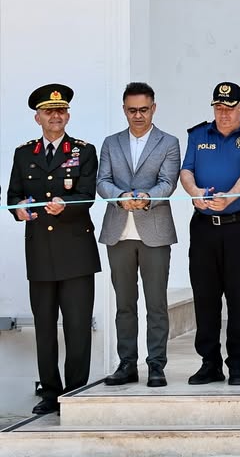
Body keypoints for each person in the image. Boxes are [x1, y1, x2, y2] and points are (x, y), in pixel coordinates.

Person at [7, 84, 100, 415]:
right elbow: (14, 196)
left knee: (77, 328)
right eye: (49, 111)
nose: (55, 116)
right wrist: (18, 209)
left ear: (68, 115)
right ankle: (50, 394)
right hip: (40, 252)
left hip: (75, 252)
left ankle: (74, 395)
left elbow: (88, 194)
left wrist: (68, 204)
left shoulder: (83, 151)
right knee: (44, 328)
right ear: (38, 117)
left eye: (60, 111)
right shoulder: (23, 153)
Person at [179, 81, 240, 386]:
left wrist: (228, 197)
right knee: (205, 298)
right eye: (218, 108)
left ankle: (237, 365)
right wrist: (194, 192)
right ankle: (209, 363)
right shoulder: (198, 134)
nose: (224, 114)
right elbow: (186, 171)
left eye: (230, 108)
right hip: (204, 229)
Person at [97, 82, 181, 388]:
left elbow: (168, 182)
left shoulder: (168, 142)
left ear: (154, 108)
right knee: (124, 303)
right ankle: (127, 363)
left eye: (143, 109)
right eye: (132, 110)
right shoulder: (111, 142)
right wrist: (120, 196)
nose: (138, 115)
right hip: (118, 231)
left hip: (155, 231)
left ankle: (156, 365)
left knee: (156, 303)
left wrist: (146, 196)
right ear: (124, 110)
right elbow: (102, 180)